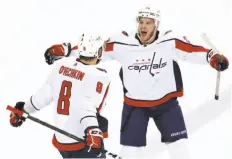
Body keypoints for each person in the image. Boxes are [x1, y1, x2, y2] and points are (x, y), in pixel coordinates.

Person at [43, 6, 229, 159]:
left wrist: (212, 58)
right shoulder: (122, 42)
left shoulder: (169, 40)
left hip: (166, 104)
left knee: (177, 146)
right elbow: (93, 49)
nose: (143, 26)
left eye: (148, 22)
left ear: (156, 25)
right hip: (135, 105)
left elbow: (192, 50)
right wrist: (65, 49)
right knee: (131, 150)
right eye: (141, 21)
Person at [9, 34, 111, 159]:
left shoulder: (61, 66)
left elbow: (42, 96)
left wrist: (24, 110)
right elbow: (86, 107)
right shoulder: (98, 76)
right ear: (99, 52)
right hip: (82, 142)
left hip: (61, 141)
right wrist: (93, 129)